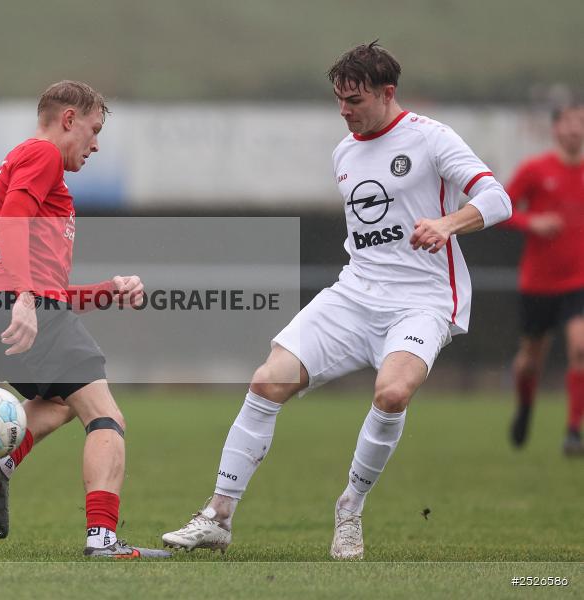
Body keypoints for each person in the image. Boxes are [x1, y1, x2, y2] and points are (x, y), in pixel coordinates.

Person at [161, 41, 512, 560]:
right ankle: (218, 516)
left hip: (422, 300)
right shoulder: (344, 152)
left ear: (387, 93)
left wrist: (446, 223)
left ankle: (350, 508)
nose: (345, 111)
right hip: (354, 293)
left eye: (356, 100)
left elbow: (497, 198)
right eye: (339, 100)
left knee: (392, 394)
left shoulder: (432, 138)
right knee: (266, 381)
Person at [0, 80, 169, 558]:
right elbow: (15, 222)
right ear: (69, 119)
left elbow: (33, 271)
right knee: (106, 416)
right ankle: (104, 539)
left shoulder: (25, 162)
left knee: (59, 404)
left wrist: (103, 293)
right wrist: (26, 298)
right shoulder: (43, 154)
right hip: (13, 302)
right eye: (94, 130)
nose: (96, 144)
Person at [503, 104, 584, 455]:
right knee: (530, 361)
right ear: (555, 129)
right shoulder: (535, 170)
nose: (574, 130)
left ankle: (572, 431)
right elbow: (501, 207)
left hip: (577, 281)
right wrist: (532, 221)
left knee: (580, 348)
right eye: (568, 123)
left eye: (580, 123)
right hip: (537, 284)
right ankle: (524, 407)